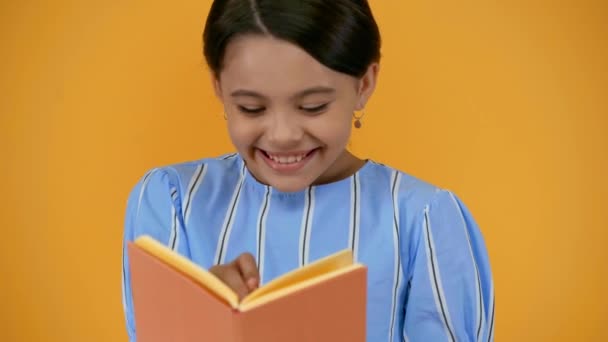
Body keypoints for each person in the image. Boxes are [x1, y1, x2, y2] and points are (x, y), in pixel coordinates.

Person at [121, 0, 494, 341]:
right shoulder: (172, 201)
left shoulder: (422, 219)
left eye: (313, 106)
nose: (283, 136)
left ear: (364, 84)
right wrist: (195, 323)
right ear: (219, 87)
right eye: (251, 108)